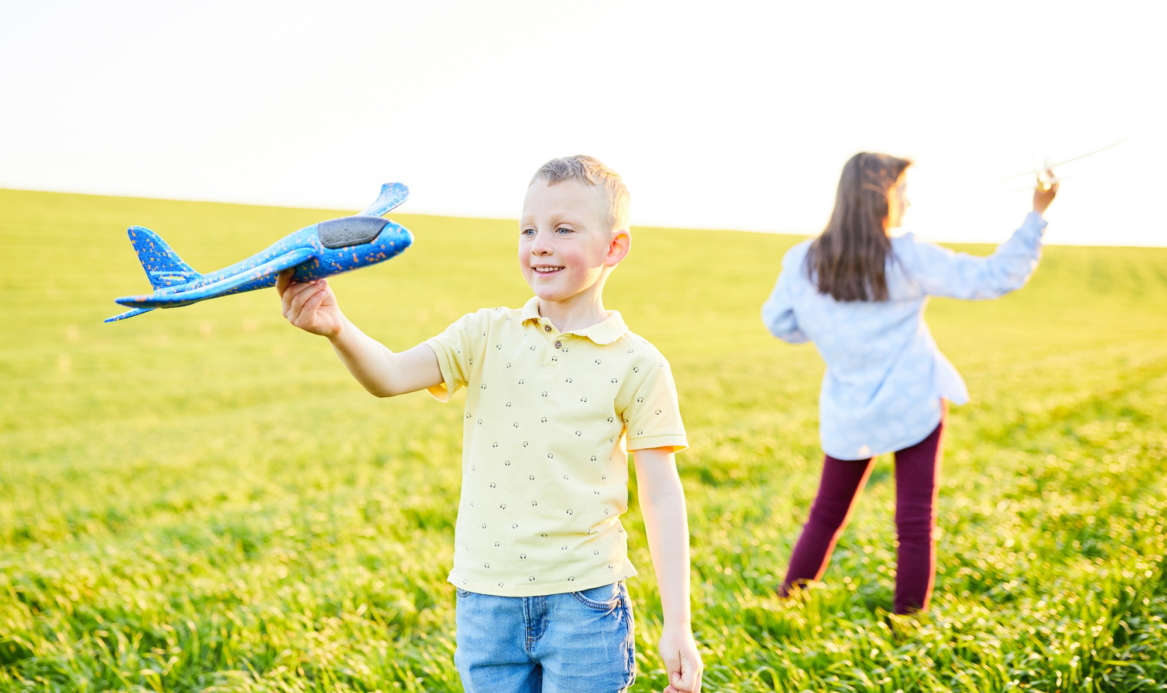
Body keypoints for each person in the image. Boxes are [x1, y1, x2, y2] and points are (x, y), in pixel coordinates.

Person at [277, 156, 703, 692]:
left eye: (562, 229)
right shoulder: (486, 334)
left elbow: (662, 495)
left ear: (614, 246)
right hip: (485, 602)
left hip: (586, 603)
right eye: (528, 230)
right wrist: (335, 327)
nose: (539, 244)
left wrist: (678, 626)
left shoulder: (638, 364)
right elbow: (388, 375)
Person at [762, 152, 1058, 614]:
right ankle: (907, 622)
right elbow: (994, 276)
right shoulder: (907, 254)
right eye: (902, 190)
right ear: (880, 197)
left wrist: (828, 330)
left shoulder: (804, 260)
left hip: (849, 410)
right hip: (915, 404)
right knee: (915, 520)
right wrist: (1037, 213)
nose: (909, 201)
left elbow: (780, 322)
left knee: (826, 513)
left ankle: (786, 602)